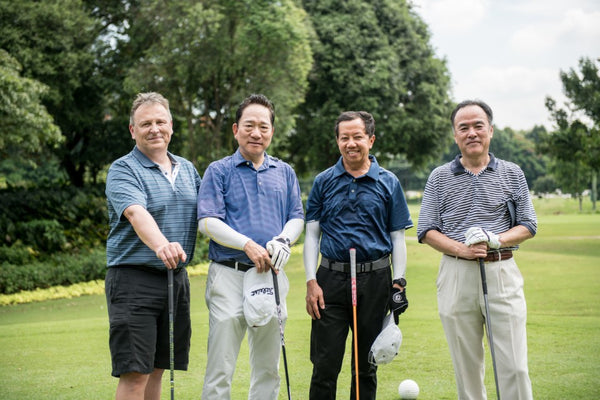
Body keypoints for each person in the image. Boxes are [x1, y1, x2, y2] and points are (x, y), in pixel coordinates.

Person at [417, 99, 537, 400]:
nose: (472, 133)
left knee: (515, 367)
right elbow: (426, 230)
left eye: (478, 126)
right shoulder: (439, 177)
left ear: (491, 131)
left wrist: (495, 239)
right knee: (467, 367)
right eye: (464, 128)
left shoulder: (512, 173)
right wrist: (462, 249)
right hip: (456, 274)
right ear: (455, 135)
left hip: (501, 270)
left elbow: (528, 224)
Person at [197, 93, 304, 400]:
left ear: (271, 131)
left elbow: (296, 217)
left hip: (270, 275)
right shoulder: (219, 170)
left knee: (268, 367)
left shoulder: (284, 172)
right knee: (221, 366)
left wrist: (284, 239)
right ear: (235, 129)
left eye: (263, 126)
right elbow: (207, 222)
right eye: (249, 125)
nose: (256, 133)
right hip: (228, 275)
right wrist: (246, 244)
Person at [304, 111, 413, 400]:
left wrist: (398, 282)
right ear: (337, 141)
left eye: (357, 137)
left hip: (375, 280)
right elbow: (312, 235)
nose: (350, 143)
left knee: (366, 365)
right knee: (325, 365)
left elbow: (397, 237)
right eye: (344, 138)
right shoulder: (323, 181)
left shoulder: (389, 182)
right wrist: (311, 281)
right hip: (330, 280)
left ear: (371, 140)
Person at [105, 92, 201, 400]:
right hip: (134, 280)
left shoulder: (188, 169)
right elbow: (135, 212)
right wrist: (161, 244)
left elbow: (210, 216)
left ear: (171, 125)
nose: (154, 128)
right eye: (145, 123)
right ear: (133, 130)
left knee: (158, 369)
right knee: (136, 373)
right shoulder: (123, 169)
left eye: (161, 121)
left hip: (176, 280)